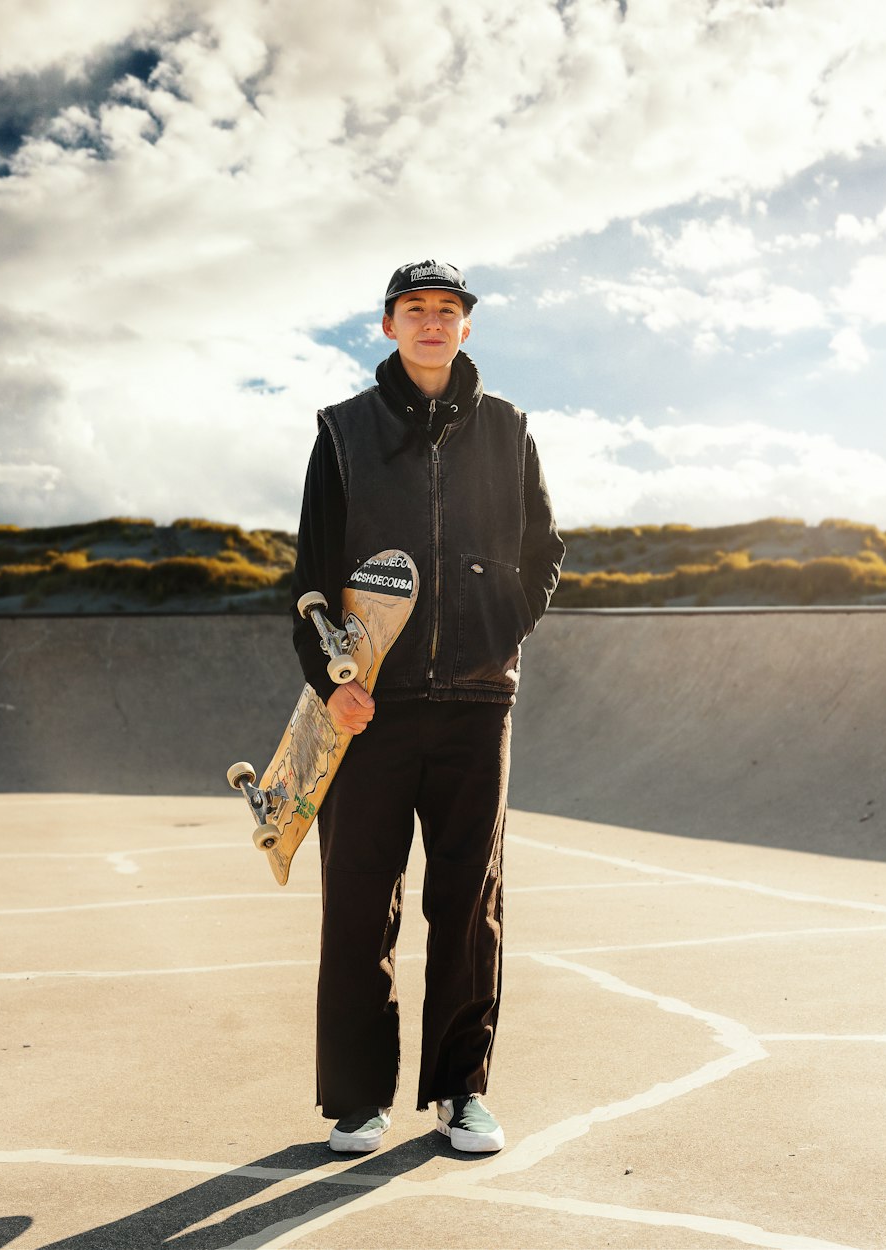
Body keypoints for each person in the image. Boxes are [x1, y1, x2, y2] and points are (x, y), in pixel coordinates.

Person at [290, 259, 564, 1154]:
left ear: (467, 328)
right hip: (372, 703)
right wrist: (335, 680)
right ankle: (360, 1099)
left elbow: (544, 548)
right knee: (360, 900)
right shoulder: (342, 434)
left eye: (448, 311)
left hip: (478, 702)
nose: (433, 323)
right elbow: (313, 575)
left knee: (467, 899)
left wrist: (501, 632)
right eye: (416, 310)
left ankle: (459, 1092)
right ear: (388, 326)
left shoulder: (509, 430)